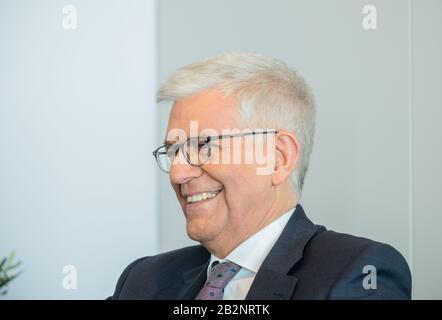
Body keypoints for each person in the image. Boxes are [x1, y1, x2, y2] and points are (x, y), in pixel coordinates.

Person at [110, 52, 411, 300]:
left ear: (278, 158)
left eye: (203, 145)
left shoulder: (359, 272)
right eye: (174, 151)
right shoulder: (142, 280)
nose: (178, 172)